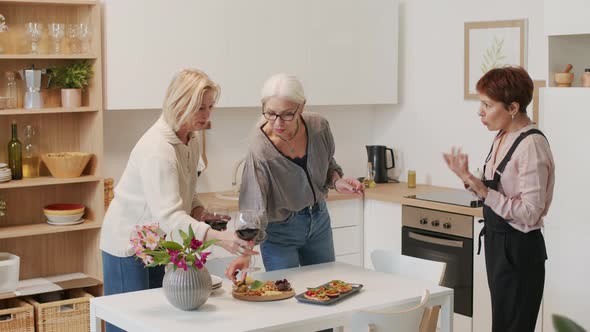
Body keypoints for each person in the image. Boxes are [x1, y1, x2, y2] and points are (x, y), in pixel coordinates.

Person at [100, 69, 256, 332]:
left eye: (210, 107)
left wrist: (198, 210)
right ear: (179, 103)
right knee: (129, 325)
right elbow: (170, 217)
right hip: (126, 247)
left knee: (161, 322)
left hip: (157, 242)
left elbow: (187, 188)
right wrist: (224, 239)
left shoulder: (191, 139)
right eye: (199, 108)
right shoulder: (157, 149)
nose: (206, 115)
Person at [443, 66, 554, 332]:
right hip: (497, 243)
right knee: (501, 325)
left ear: (513, 107)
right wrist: (470, 179)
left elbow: (530, 212)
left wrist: (483, 191)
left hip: (519, 249)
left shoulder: (532, 145)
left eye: (487, 105)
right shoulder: (502, 136)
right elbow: (496, 189)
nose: (480, 112)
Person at [226, 73, 363, 281]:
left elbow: (327, 164)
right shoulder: (260, 148)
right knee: (286, 296)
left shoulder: (319, 127)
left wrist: (337, 181)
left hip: (319, 221)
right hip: (280, 231)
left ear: (301, 107)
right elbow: (253, 205)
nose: (278, 122)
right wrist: (245, 253)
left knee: (328, 289)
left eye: (287, 114)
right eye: (270, 113)